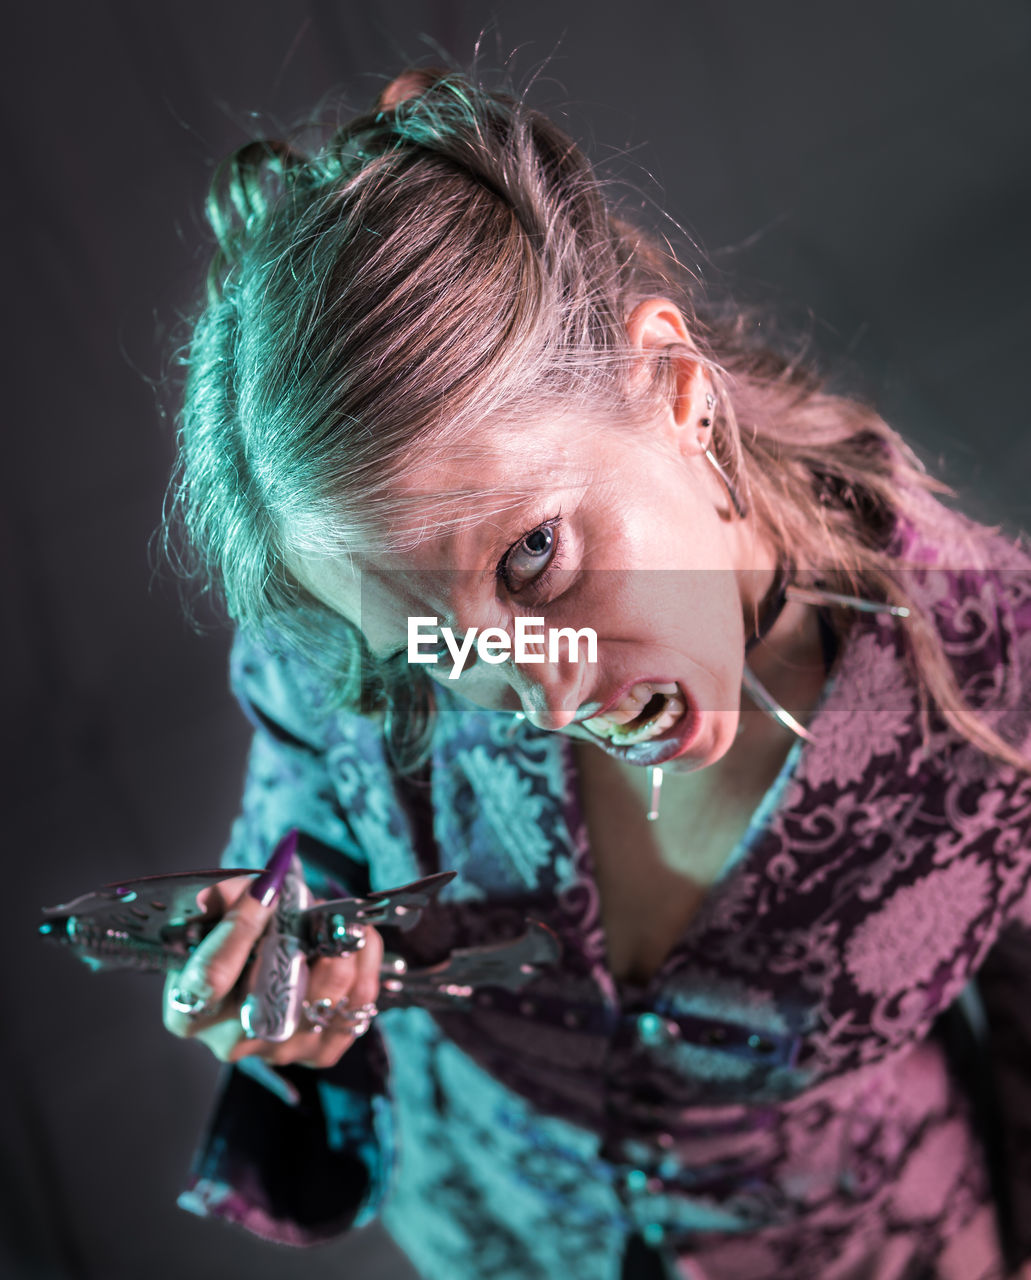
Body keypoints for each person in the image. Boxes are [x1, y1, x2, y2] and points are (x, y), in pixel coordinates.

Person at [160, 66, 1031, 1280]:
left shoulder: (1001, 683)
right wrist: (284, 981)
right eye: (432, 640)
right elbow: (309, 862)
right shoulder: (350, 642)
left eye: (533, 556)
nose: (546, 697)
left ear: (672, 390)